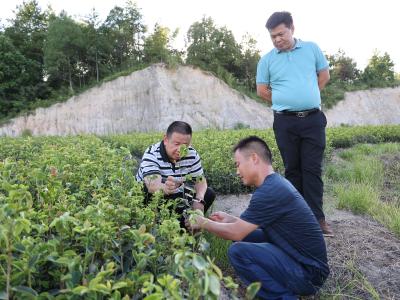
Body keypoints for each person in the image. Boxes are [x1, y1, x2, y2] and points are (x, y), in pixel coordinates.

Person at [188, 136, 329, 299]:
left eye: (238, 164)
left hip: (309, 275)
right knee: (245, 238)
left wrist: (202, 222)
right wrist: (231, 219)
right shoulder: (275, 184)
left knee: (238, 251)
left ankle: (284, 296)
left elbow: (235, 233)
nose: (237, 171)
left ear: (254, 158)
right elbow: (250, 228)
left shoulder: (270, 191)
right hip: (304, 263)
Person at [256, 11, 333, 235]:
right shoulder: (267, 60)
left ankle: (317, 219)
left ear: (292, 28)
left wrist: (306, 96)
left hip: (312, 120)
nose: (278, 39)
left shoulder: (311, 49)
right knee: (293, 170)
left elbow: (324, 76)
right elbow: (262, 91)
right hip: (285, 122)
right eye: (273, 36)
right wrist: (285, 101)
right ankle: (297, 218)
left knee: (312, 169)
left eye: (281, 34)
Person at [136, 121, 215, 226]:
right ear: (166, 140)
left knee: (208, 193)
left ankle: (188, 227)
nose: (180, 150)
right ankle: (155, 226)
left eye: (185, 145)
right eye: (176, 144)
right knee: (146, 191)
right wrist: (166, 188)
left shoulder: (192, 154)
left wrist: (199, 200)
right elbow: (152, 185)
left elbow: (200, 181)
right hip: (156, 197)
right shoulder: (152, 153)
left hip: (177, 195)